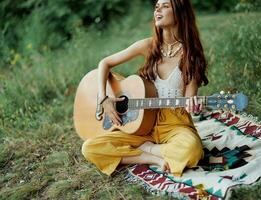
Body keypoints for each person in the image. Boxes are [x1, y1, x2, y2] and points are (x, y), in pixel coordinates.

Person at [81, 0, 209, 177]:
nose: (158, 9)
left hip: (174, 123)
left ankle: (144, 149)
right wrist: (104, 99)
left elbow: (189, 99)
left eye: (165, 6)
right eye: (157, 6)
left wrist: (193, 104)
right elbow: (105, 63)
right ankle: (150, 157)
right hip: (141, 123)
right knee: (90, 148)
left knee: (192, 151)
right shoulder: (148, 45)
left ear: (180, 12)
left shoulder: (191, 55)